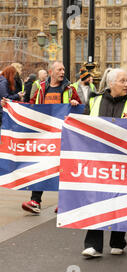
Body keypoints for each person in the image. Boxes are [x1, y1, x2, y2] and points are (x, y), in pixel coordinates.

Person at [82, 68, 127, 258]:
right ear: (111, 83)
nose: (126, 84)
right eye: (122, 81)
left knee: (121, 198)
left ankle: (118, 240)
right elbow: (83, 127)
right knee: (96, 200)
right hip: (100, 160)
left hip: (124, 160)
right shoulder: (94, 100)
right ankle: (93, 245)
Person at [21, 61, 82, 215]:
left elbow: (81, 108)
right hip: (45, 135)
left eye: (63, 69)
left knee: (64, 168)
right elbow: (31, 106)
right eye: (59, 69)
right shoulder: (42, 89)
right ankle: (35, 201)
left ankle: (64, 203)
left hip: (64, 136)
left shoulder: (70, 89)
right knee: (41, 166)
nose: (62, 72)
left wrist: (75, 102)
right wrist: (10, 105)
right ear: (51, 72)